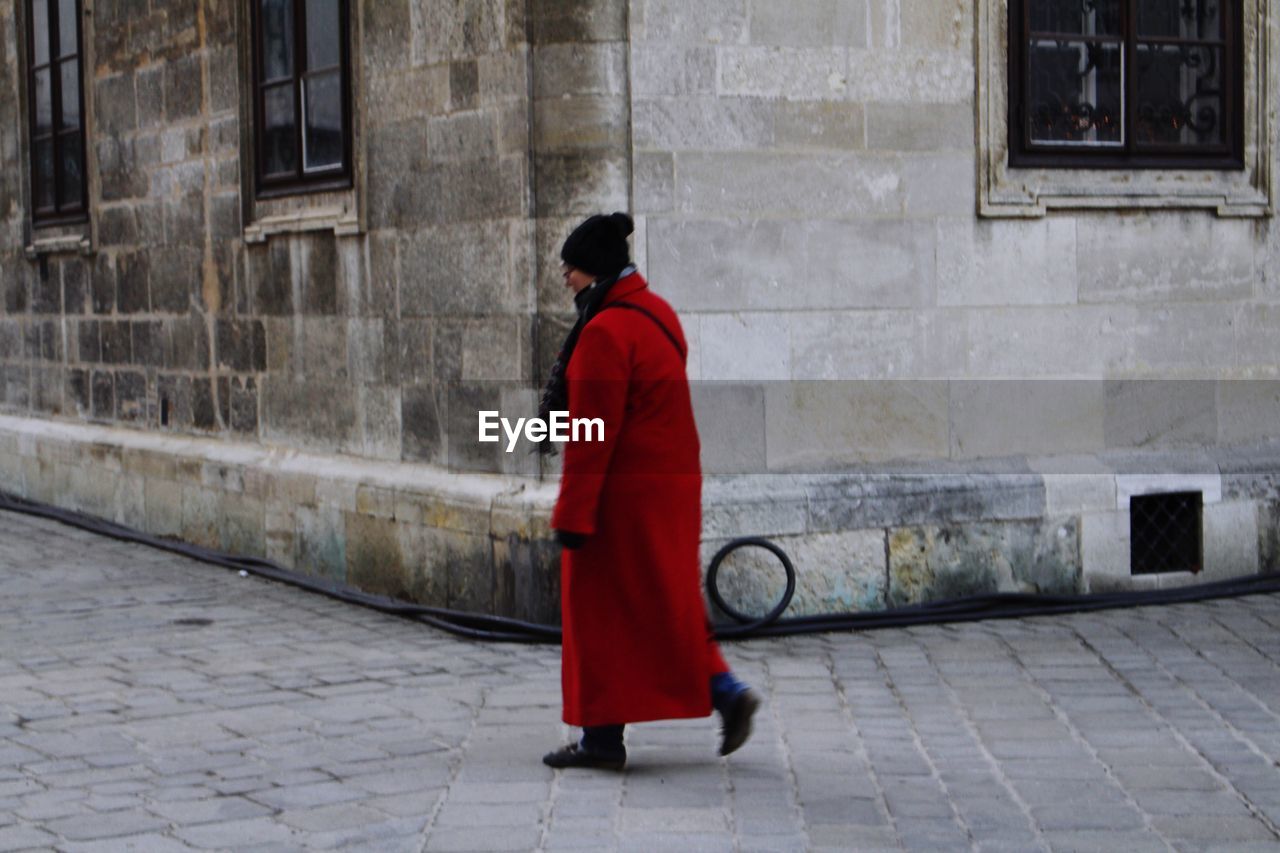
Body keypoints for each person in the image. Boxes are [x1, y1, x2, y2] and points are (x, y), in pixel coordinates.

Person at [539, 212, 760, 770]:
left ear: (594, 271)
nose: (566, 277)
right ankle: (723, 692)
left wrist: (573, 514)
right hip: (672, 484)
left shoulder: (603, 334)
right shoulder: (657, 313)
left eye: (572, 267)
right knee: (667, 603)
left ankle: (602, 740)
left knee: (599, 615)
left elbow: (592, 436)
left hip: (622, 498)